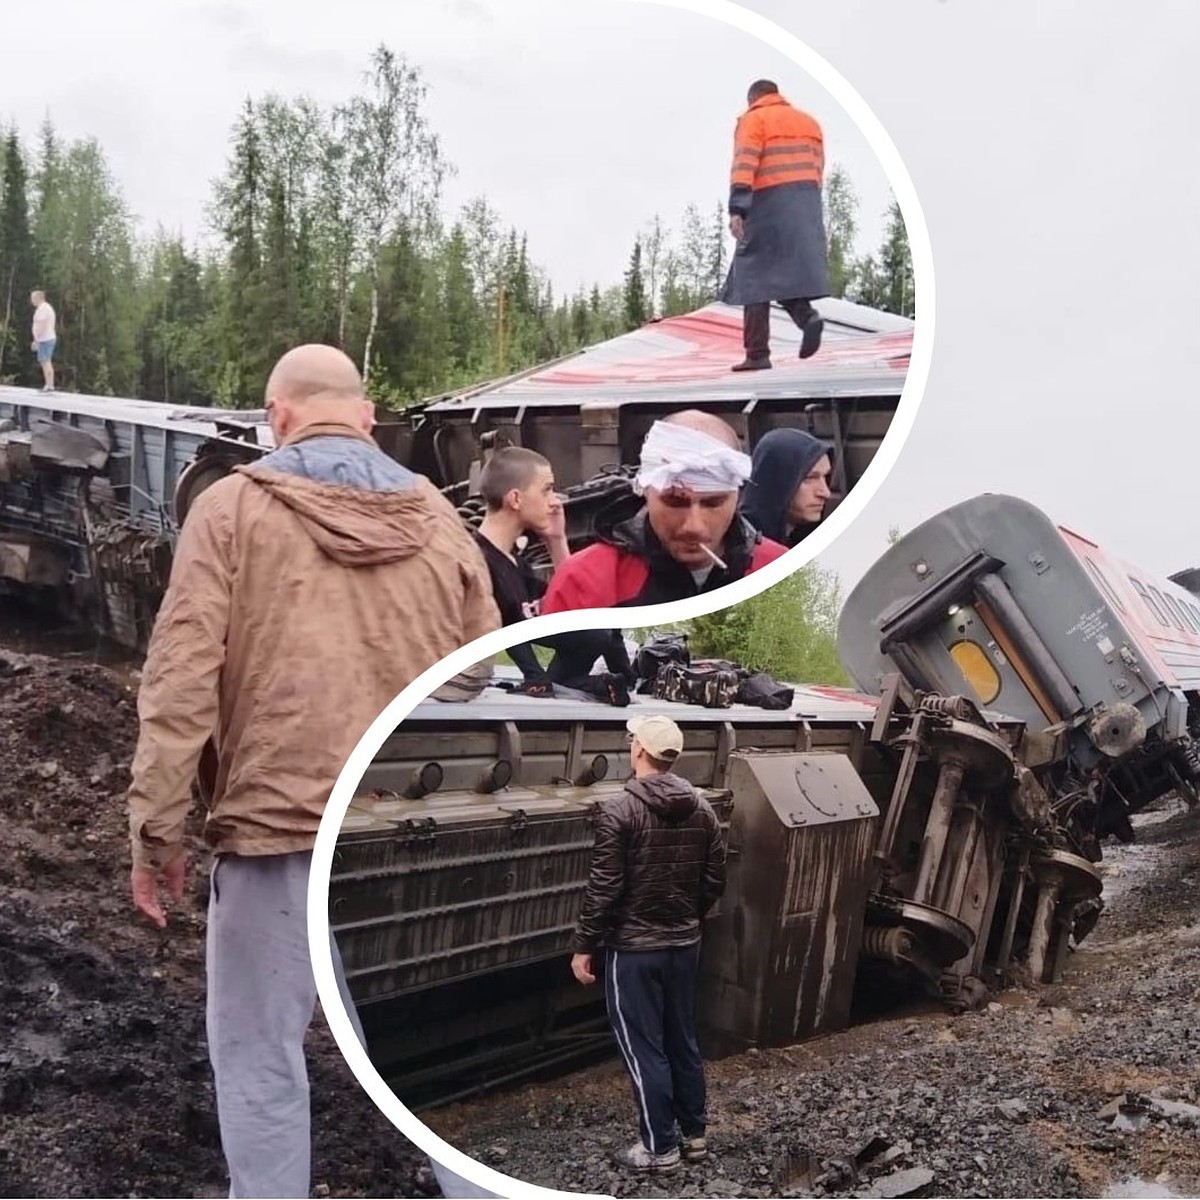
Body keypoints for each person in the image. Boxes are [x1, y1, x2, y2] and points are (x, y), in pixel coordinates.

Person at [126, 344, 501, 1200]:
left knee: (260, 1055)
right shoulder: (445, 525)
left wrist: (157, 828)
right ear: (367, 419)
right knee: (415, 1062)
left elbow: (181, 680)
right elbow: (477, 671)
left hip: (276, 830)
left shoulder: (228, 512)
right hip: (399, 825)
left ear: (278, 418)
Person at [570, 715, 727, 1174]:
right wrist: (686, 917)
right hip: (684, 944)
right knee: (682, 1040)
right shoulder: (703, 809)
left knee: (644, 1050)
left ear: (638, 750)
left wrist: (584, 946)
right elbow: (715, 878)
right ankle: (694, 1137)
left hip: (635, 950)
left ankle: (659, 1149)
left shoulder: (619, 811)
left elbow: (604, 889)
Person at [540, 410, 787, 611]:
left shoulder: (782, 572)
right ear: (645, 490)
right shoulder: (584, 582)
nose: (694, 526)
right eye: (675, 502)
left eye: (713, 503)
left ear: (737, 495)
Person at [473, 445, 634, 704]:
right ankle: (572, 680)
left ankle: (606, 680)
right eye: (547, 489)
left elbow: (573, 602)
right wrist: (534, 677)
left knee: (600, 626)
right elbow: (509, 623)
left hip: (560, 655)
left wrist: (556, 540)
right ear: (516, 499)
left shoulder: (514, 563)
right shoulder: (477, 562)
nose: (555, 500)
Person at [720, 80, 828, 372]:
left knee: (753, 276)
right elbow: (819, 167)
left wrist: (737, 208)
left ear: (753, 98)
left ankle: (757, 354)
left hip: (767, 200)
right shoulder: (809, 123)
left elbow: (745, 162)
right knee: (779, 272)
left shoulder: (754, 119)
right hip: (805, 203)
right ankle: (807, 318)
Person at [741, 428, 834, 547]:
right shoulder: (740, 551)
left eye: (826, 477)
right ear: (777, 480)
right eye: (809, 478)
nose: (825, 493)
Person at [30, 290, 56, 392]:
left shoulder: (43, 309)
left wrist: (37, 340)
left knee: (46, 361)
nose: (32, 300)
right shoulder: (45, 308)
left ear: (38, 298)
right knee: (45, 361)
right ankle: (49, 384)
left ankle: (49, 385)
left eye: (33, 298)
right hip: (45, 338)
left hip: (45, 339)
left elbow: (42, 324)